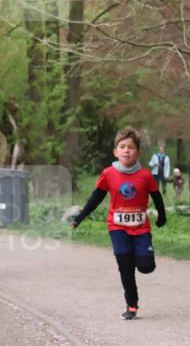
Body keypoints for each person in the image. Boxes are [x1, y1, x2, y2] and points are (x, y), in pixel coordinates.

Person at [71, 127, 167, 320]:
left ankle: (143, 262)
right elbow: (95, 198)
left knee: (146, 266)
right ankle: (132, 305)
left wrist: (161, 216)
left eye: (130, 147)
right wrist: (79, 218)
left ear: (137, 153)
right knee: (125, 267)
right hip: (117, 228)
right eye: (122, 147)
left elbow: (157, 197)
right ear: (115, 152)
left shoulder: (145, 176)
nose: (126, 150)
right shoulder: (109, 174)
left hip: (141, 229)